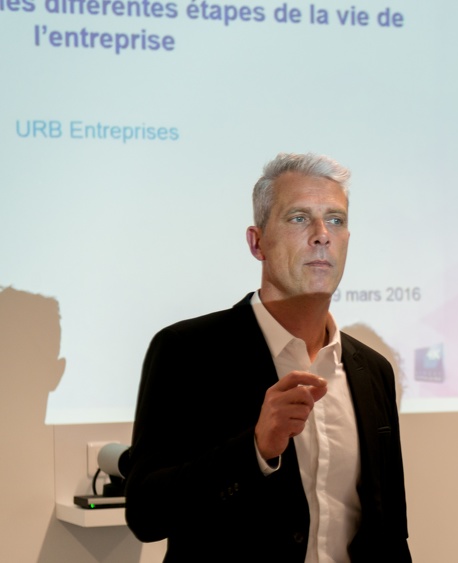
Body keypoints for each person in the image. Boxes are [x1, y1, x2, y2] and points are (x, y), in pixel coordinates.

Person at [125, 153, 412, 562]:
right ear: (257, 242)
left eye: (335, 220)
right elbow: (146, 514)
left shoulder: (373, 370)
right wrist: (256, 449)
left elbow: (389, 532)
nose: (322, 235)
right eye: (299, 218)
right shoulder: (187, 351)